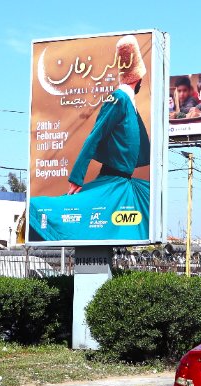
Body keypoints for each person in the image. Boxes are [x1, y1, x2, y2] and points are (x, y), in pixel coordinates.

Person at [29, 34, 151, 242]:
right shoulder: (118, 98)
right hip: (112, 181)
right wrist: (77, 177)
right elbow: (95, 135)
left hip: (123, 182)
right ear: (138, 78)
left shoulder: (129, 102)